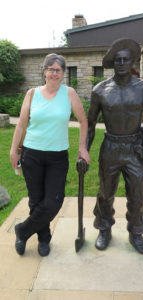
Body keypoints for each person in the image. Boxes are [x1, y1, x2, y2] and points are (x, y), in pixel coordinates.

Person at [87, 38, 143, 255]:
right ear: (113, 63)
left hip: (135, 149)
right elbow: (90, 125)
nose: (122, 63)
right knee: (105, 192)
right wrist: (83, 152)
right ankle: (104, 229)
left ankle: (136, 232)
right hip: (111, 147)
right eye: (118, 60)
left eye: (125, 59)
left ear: (132, 62)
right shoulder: (100, 90)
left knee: (138, 194)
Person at [10, 53, 90, 256]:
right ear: (44, 71)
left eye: (58, 70)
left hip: (57, 156)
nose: (54, 73)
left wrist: (82, 147)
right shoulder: (32, 94)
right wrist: (14, 150)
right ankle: (43, 240)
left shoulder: (69, 93)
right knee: (36, 201)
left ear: (63, 73)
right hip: (32, 154)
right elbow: (21, 124)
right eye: (51, 69)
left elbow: (83, 121)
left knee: (53, 201)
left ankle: (23, 231)